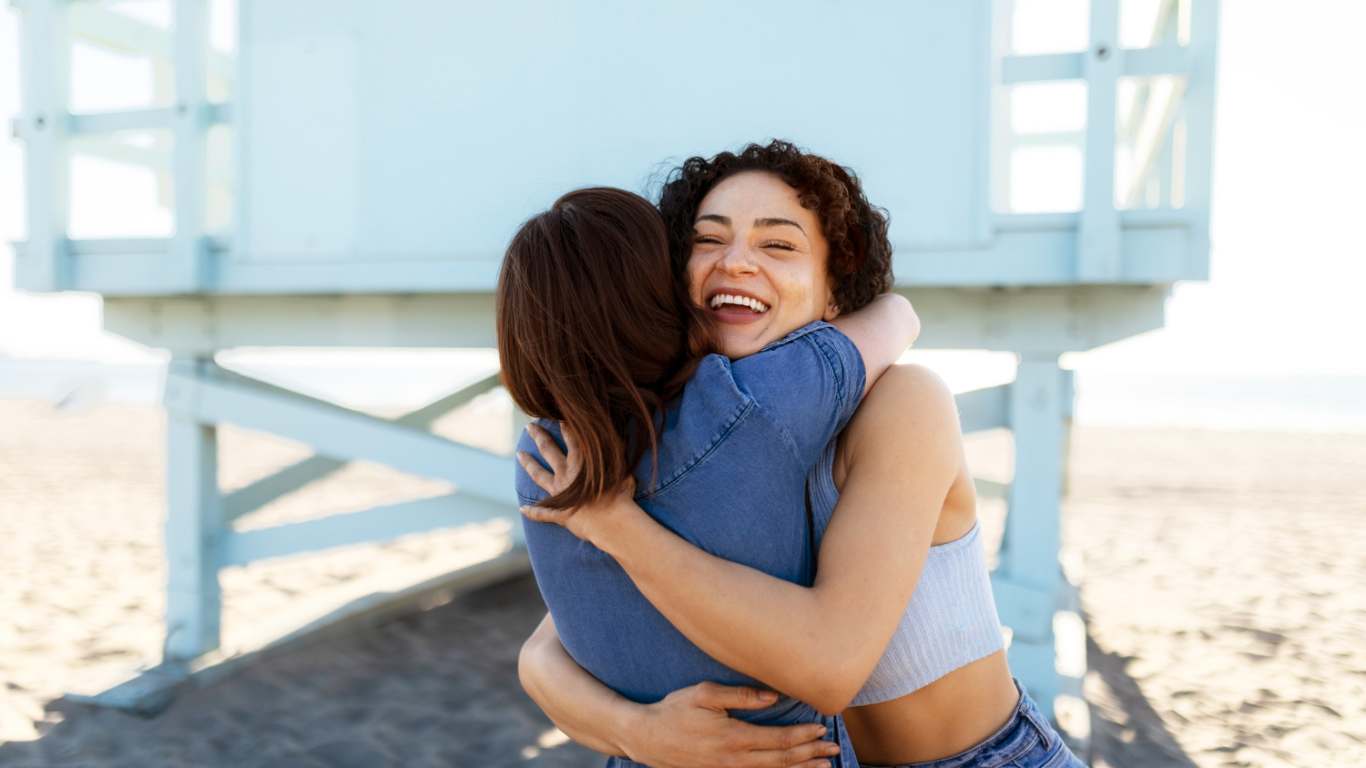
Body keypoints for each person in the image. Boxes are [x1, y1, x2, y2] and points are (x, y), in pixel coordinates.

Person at [516, 141, 1086, 768]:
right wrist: (635, 730)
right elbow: (545, 653)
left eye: (778, 245)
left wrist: (616, 525)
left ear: (836, 294)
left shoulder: (902, 403)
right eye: (709, 240)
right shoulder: (689, 430)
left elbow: (831, 662)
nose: (736, 262)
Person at [497, 176, 918, 768]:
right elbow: (896, 318)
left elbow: (544, 652)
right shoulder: (751, 403)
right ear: (662, 293)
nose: (736, 263)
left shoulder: (540, 458)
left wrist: (632, 729)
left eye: (777, 245)